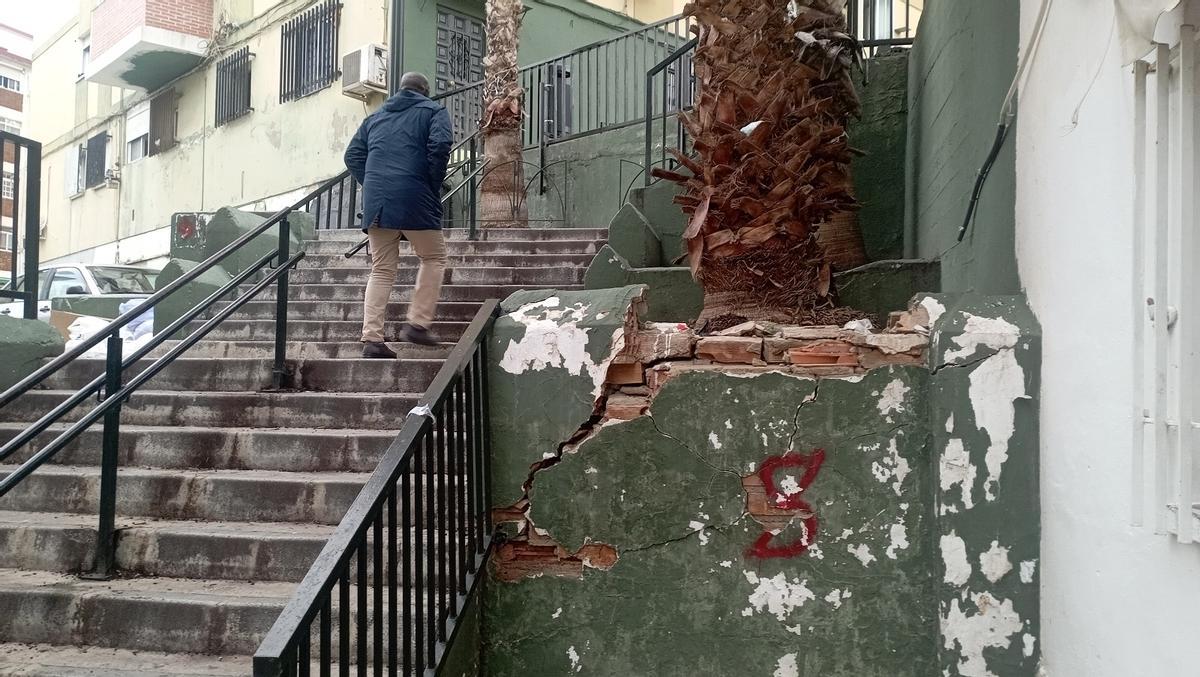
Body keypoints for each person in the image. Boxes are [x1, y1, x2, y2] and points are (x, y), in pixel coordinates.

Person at [344, 72, 453, 359]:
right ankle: (417, 323)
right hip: (416, 196)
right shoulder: (434, 111)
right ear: (424, 91)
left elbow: (352, 156)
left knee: (381, 270)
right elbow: (440, 146)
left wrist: (372, 184)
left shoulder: (375, 119)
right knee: (433, 257)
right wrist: (432, 182)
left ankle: (372, 340)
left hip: (377, 204)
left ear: (401, 89)